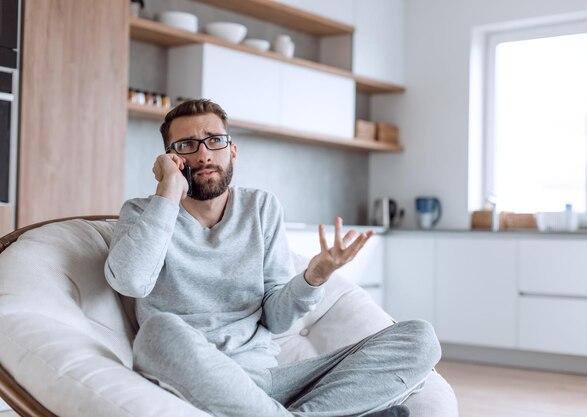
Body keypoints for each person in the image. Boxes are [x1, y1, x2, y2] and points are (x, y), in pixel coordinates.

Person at [104, 99, 441, 417]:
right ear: (169, 159)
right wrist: (168, 191)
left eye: (214, 140)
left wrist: (314, 277)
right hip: (196, 375)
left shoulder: (261, 207)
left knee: (419, 338)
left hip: (269, 381)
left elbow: (276, 320)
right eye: (186, 145)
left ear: (233, 151)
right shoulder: (143, 212)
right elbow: (131, 281)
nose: (204, 153)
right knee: (157, 332)